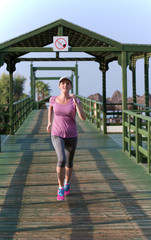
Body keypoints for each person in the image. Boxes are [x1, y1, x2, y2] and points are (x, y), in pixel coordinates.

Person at [47, 76, 86, 201]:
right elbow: (50, 109)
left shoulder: (74, 100)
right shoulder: (53, 99)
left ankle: (67, 183)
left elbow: (83, 118)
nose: (65, 85)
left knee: (69, 162)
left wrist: (76, 103)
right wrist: (49, 122)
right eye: (63, 83)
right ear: (59, 86)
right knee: (61, 159)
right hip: (56, 133)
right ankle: (60, 187)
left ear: (70, 87)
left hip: (72, 135)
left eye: (68, 84)